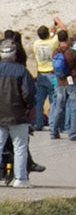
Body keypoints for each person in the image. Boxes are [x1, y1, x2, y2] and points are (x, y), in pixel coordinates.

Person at [0, 37, 31, 187]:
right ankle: (20, 178)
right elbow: (29, 93)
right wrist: (28, 106)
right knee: (20, 147)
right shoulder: (21, 70)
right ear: (14, 54)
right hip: (17, 114)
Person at [49, 30, 76, 141]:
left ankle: (54, 131)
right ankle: (73, 133)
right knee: (74, 108)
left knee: (59, 106)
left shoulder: (55, 52)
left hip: (60, 82)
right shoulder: (72, 53)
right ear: (67, 39)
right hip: (72, 81)